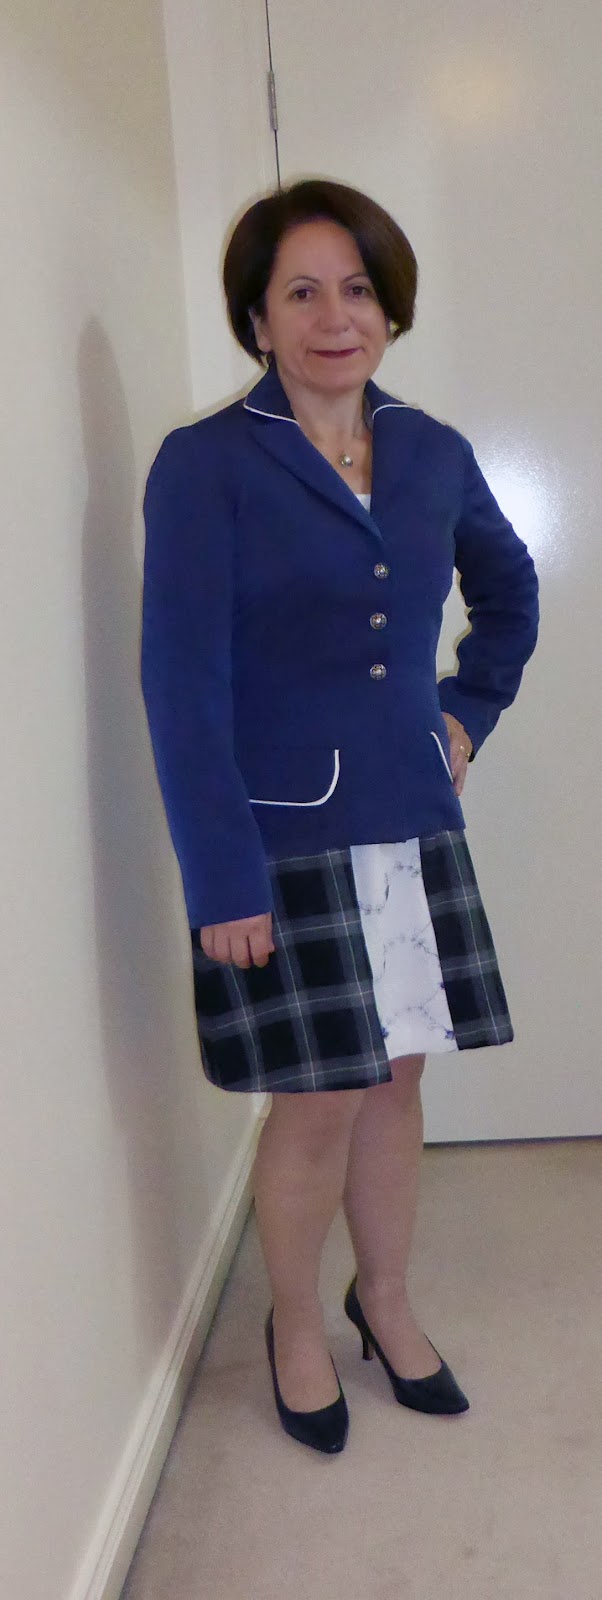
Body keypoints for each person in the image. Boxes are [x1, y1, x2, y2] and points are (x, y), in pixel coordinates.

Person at [141, 177, 539, 1457]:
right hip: (283, 837)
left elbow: (509, 593)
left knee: (397, 1078)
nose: (334, 317)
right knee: (316, 1098)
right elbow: (182, 685)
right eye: (301, 292)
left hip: (409, 818)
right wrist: (222, 881)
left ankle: (389, 1300)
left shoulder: (431, 451)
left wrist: (465, 711)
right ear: (256, 318)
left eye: (357, 289)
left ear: (388, 307)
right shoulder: (206, 464)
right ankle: (299, 1324)